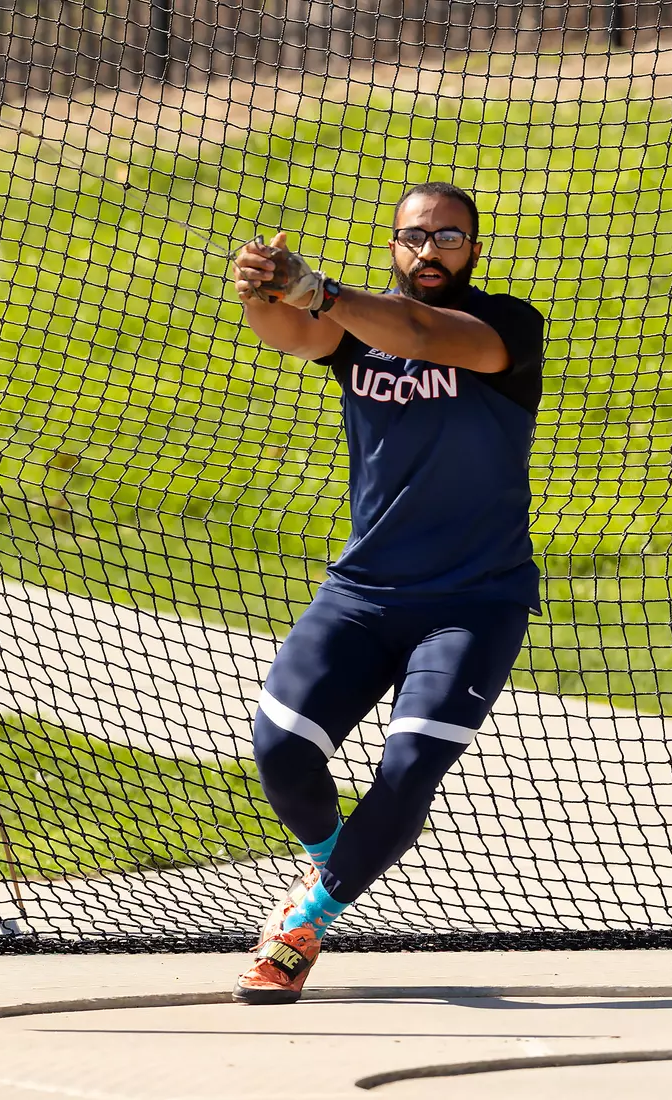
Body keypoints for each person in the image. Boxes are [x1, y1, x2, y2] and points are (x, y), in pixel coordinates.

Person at [227, 182, 545, 1003]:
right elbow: (289, 335)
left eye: (448, 236)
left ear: (475, 249)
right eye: (413, 237)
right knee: (280, 749)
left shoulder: (506, 327)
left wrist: (321, 290)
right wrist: (263, 289)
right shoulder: (356, 333)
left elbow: (420, 332)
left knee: (407, 768)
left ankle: (307, 924)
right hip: (364, 591)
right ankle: (338, 863)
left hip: (473, 601)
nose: (430, 249)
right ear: (392, 246)